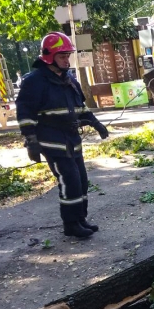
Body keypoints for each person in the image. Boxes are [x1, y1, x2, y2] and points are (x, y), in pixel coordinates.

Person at [16, 32, 109, 238]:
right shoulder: (34, 82)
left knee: (82, 181)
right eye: (62, 56)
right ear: (49, 56)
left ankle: (80, 218)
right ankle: (70, 224)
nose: (67, 60)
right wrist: (31, 141)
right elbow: (25, 113)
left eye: (68, 56)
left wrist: (96, 124)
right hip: (52, 141)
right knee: (70, 181)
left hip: (72, 140)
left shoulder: (69, 81)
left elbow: (81, 108)